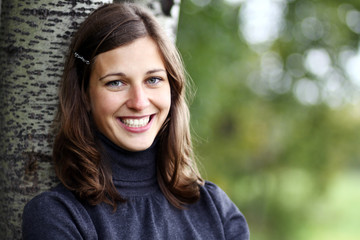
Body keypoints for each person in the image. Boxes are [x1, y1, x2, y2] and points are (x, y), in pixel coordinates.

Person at [22, 2, 250, 239]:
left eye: (153, 79)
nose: (139, 102)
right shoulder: (58, 216)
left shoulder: (215, 208)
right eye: (116, 82)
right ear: (85, 95)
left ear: (172, 88)